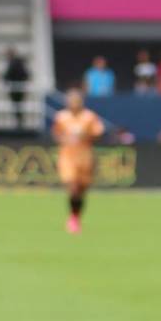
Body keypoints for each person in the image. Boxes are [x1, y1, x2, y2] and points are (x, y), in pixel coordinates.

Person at [51, 89, 104, 234]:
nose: (74, 103)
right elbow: (56, 133)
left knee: (81, 190)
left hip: (85, 156)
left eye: (76, 100)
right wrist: (65, 139)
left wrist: (85, 135)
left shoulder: (89, 117)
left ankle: (76, 216)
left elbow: (98, 133)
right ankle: (73, 219)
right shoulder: (61, 117)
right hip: (67, 157)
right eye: (71, 100)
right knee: (73, 187)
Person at [3, 48, 29, 130]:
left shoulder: (13, 63)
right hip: (19, 87)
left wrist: (5, 80)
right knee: (18, 106)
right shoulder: (19, 62)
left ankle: (19, 123)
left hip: (16, 88)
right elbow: (26, 75)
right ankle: (19, 122)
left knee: (17, 105)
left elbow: (8, 74)